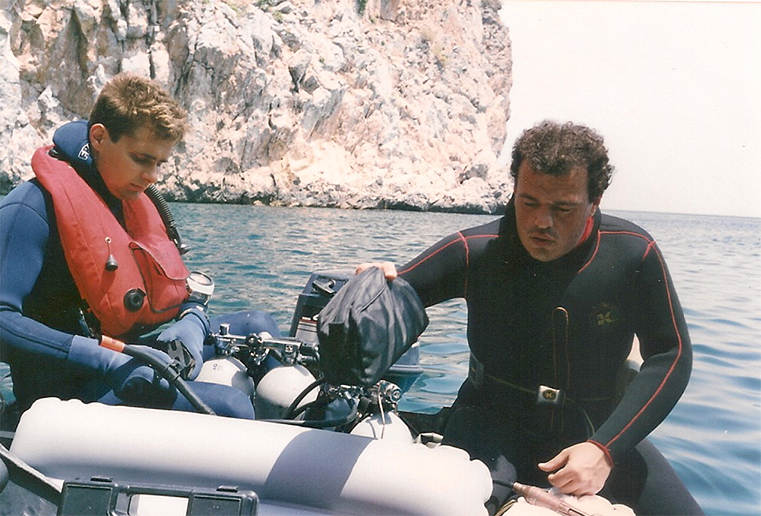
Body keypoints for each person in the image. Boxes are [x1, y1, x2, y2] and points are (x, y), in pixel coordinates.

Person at [358, 120, 703, 515]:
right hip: (489, 425)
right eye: (529, 202)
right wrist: (374, 287)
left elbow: (672, 354)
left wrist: (605, 449)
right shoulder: (477, 251)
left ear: (595, 201)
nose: (542, 222)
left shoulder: (632, 254)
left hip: (594, 433)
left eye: (562, 208)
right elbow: (397, 291)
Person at [0, 73, 279, 419]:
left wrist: (193, 318)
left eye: (159, 163)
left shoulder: (126, 203)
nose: (152, 176)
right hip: (68, 388)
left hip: (129, 358)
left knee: (258, 326)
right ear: (99, 138)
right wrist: (104, 359)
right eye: (141, 158)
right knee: (231, 406)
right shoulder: (30, 209)